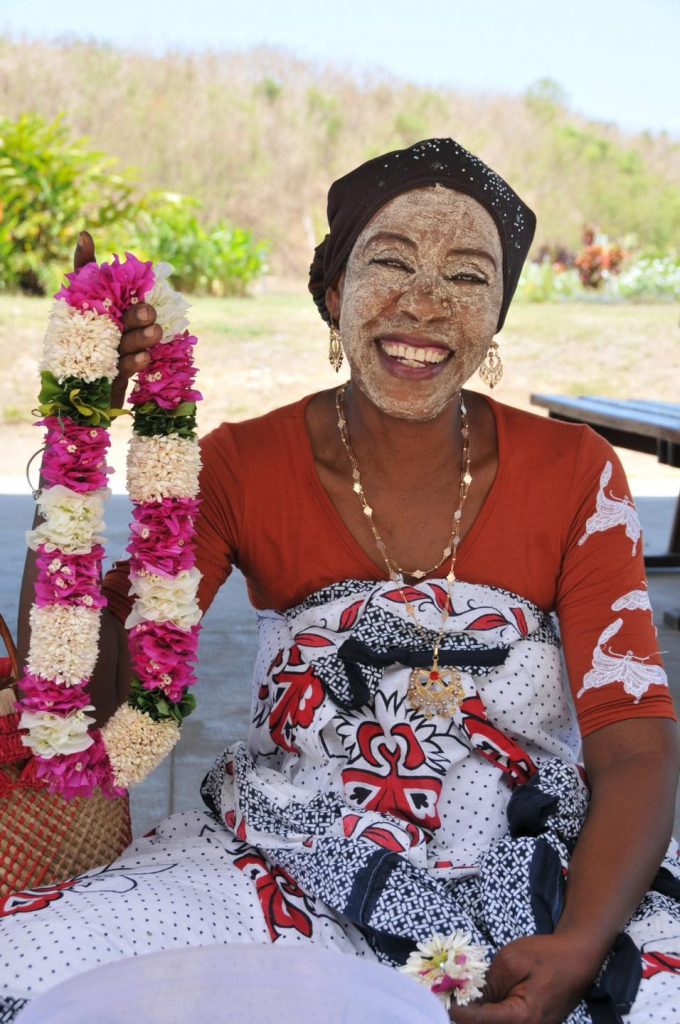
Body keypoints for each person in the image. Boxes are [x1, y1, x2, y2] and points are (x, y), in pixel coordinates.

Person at [1, 138, 679, 1024]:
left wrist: (582, 942)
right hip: (285, 851)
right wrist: (80, 428)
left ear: (499, 317)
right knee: (40, 966)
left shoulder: (575, 473)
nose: (425, 303)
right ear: (332, 292)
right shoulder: (242, 465)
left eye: (468, 278)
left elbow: (633, 742)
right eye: (389, 262)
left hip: (532, 866)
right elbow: (84, 708)